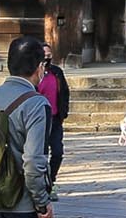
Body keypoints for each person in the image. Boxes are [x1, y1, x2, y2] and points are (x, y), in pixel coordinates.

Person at [0, 36, 56, 218]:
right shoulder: (37, 104)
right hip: (23, 204)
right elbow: (33, 161)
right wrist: (42, 203)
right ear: (40, 67)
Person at [36, 43, 70, 180]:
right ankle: (42, 182)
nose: (47, 58)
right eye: (44, 55)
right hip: (39, 119)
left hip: (55, 118)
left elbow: (64, 92)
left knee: (57, 152)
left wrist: (64, 111)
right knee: (41, 154)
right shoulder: (33, 74)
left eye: (49, 55)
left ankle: (51, 180)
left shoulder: (56, 72)